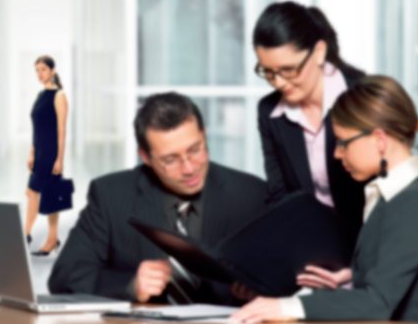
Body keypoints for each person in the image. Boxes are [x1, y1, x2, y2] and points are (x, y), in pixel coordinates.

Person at [232, 75, 418, 324]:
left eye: (343, 142)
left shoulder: (414, 202)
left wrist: (286, 307)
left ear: (380, 140)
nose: (337, 154)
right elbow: (398, 274)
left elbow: (378, 302)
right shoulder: (393, 196)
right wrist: (352, 276)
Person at [48, 92, 266, 304]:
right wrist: (130, 284)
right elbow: (65, 277)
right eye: (170, 159)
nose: (189, 168)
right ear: (146, 157)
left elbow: (284, 276)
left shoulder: (252, 194)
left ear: (204, 135)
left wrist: (263, 288)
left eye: (195, 149)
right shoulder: (110, 195)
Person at [253, 1, 365, 246]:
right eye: (268, 72)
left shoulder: (364, 95)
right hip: (311, 247)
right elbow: (279, 196)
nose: (279, 83)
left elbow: (388, 194)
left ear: (319, 53)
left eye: (289, 70)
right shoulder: (269, 111)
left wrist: (354, 267)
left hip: (369, 247)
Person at [24, 55, 69, 256]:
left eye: (42, 69)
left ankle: (35, 235)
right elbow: (36, 128)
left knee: (45, 195)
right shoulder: (41, 95)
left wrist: (60, 159)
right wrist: (32, 152)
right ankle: (43, 237)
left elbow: (61, 130)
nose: (39, 74)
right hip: (40, 151)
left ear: (52, 70)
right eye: (37, 70)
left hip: (51, 153)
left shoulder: (59, 96)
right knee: (33, 193)